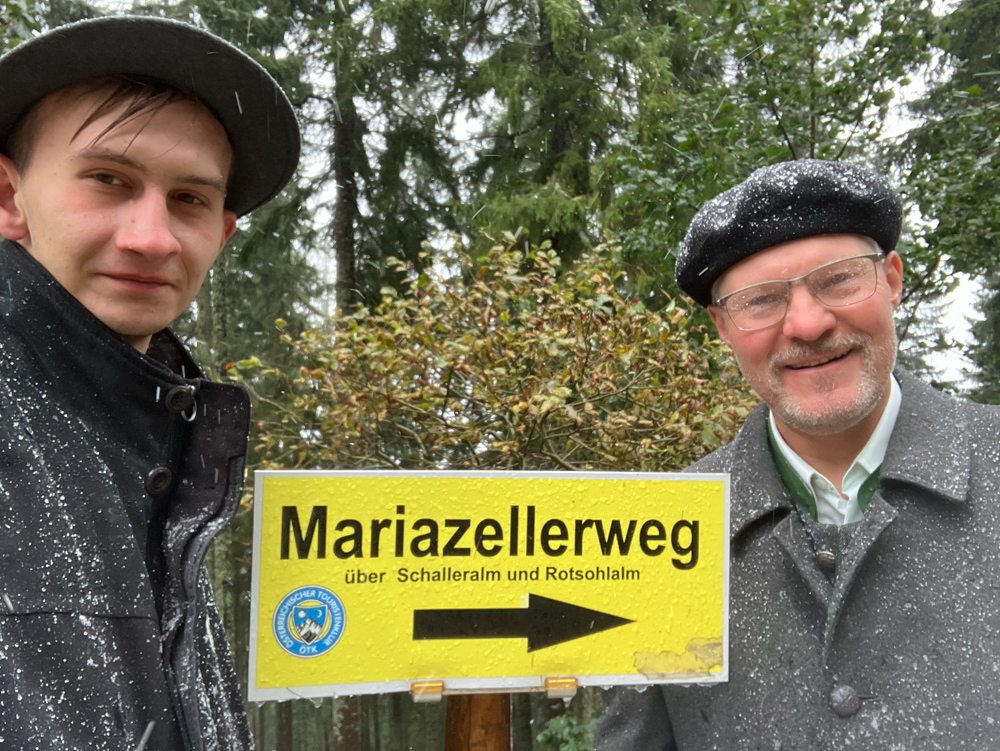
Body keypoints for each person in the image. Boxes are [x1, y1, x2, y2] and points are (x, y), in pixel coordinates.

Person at [595, 159, 1000, 749]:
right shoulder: (661, 532)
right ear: (722, 326)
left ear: (891, 279)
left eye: (838, 280)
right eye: (761, 301)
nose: (807, 325)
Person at [0, 16, 299, 750]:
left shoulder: (164, 442)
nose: (152, 238)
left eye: (190, 199)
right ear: (8, 197)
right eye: (108, 180)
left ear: (220, 234)